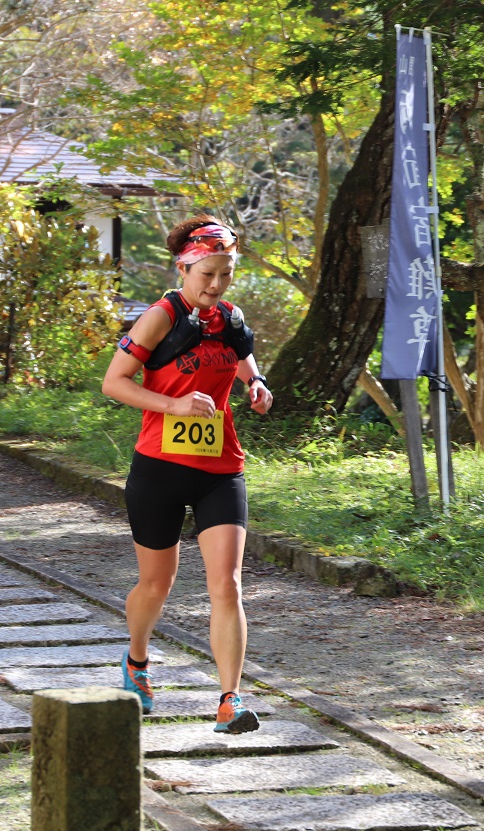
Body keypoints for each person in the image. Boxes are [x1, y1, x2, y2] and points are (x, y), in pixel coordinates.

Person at [101, 215, 272, 733]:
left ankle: (230, 700)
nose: (216, 286)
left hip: (220, 468)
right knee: (157, 583)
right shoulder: (160, 316)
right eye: (207, 275)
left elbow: (241, 355)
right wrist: (172, 407)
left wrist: (256, 382)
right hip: (159, 468)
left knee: (228, 584)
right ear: (185, 267)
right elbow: (115, 383)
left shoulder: (230, 316)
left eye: (225, 275)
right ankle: (136, 660)